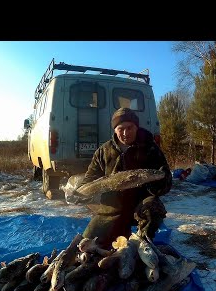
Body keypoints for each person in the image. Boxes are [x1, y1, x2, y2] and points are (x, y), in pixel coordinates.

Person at [69, 107, 172, 250]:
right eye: (120, 128)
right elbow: (90, 179)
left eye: (130, 127)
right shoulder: (103, 152)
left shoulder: (151, 149)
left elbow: (166, 184)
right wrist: (80, 195)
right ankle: (116, 230)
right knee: (86, 245)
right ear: (115, 129)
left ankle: (143, 241)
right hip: (111, 208)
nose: (125, 133)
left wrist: (159, 182)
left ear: (136, 127)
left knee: (153, 207)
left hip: (140, 205)